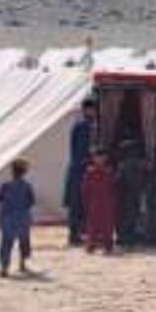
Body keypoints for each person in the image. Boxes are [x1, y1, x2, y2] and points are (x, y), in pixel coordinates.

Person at [63, 99, 96, 246]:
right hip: (79, 170)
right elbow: (81, 151)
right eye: (91, 109)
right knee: (77, 203)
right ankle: (74, 234)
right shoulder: (83, 126)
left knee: (82, 204)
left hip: (80, 168)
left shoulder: (87, 125)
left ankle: (80, 233)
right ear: (86, 110)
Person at [0, 159, 35, 277]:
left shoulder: (5, 186)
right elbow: (31, 201)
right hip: (23, 217)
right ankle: (22, 263)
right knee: (24, 241)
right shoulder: (27, 186)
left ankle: (4, 267)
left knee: (6, 243)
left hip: (8, 217)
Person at [82, 148, 118, 253]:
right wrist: (86, 202)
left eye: (102, 157)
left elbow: (114, 187)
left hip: (107, 202)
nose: (99, 160)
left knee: (108, 224)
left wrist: (114, 201)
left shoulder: (109, 172)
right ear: (93, 159)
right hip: (94, 202)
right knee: (93, 224)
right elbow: (85, 189)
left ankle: (108, 245)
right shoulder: (90, 172)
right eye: (97, 157)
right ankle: (91, 244)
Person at [115, 140, 146, 248]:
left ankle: (125, 236)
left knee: (126, 215)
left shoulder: (123, 165)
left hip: (127, 194)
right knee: (132, 215)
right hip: (134, 193)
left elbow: (118, 180)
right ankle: (129, 236)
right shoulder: (139, 164)